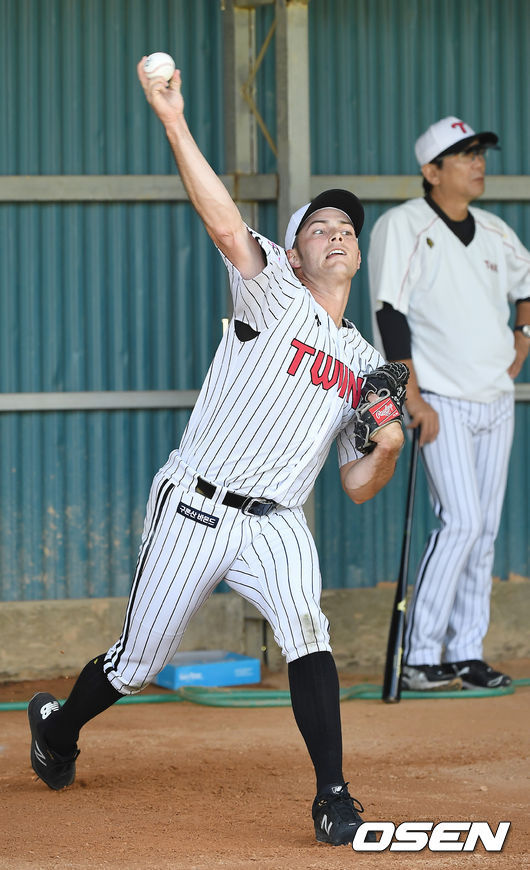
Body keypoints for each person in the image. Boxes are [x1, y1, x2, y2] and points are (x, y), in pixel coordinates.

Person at [27, 58, 407, 847]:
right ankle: (59, 727)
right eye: (319, 229)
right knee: (137, 663)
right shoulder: (274, 293)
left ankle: (333, 793)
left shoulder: (366, 364)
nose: (337, 236)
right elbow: (227, 224)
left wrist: (390, 446)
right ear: (295, 254)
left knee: (307, 627)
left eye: (347, 231)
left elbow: (357, 484)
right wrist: (172, 119)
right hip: (197, 503)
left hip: (276, 522)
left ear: (357, 255)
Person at [368, 115, 530, 693]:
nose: (478, 162)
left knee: (483, 529)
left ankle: (465, 651)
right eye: (464, 155)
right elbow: (390, 313)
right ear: (431, 171)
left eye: (480, 152)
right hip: (440, 399)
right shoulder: (403, 224)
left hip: (495, 397)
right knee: (459, 521)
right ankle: (419, 654)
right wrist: (409, 395)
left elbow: (527, 289)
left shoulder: (495, 231)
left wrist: (525, 340)